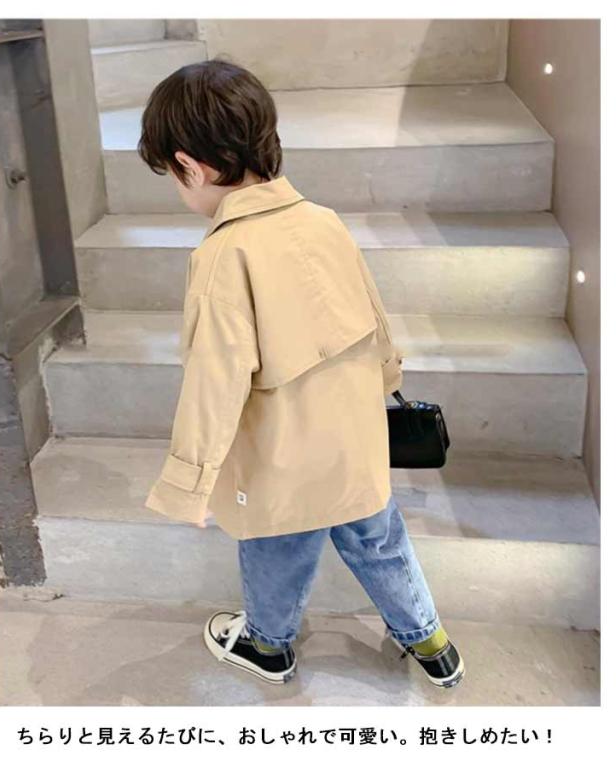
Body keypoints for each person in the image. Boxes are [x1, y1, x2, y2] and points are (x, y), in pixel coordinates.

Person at [138, 58, 464, 689]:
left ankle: (269, 645)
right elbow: (373, 316)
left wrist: (190, 482)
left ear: (190, 167)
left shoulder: (223, 255)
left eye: (174, 179)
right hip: (354, 434)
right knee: (378, 536)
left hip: (282, 450)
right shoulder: (323, 220)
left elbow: (213, 381)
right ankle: (432, 644)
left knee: (277, 545)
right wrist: (387, 376)